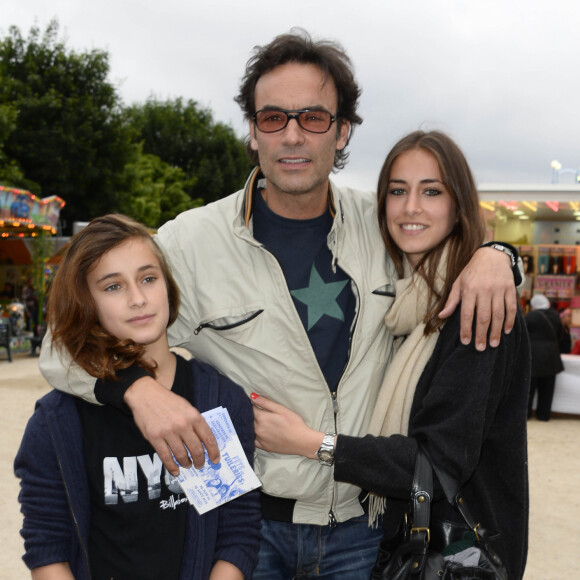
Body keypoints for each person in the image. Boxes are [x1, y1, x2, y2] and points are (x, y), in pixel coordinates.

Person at [39, 31, 520, 578]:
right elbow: (63, 345)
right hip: (243, 528)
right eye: (273, 118)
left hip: (367, 530)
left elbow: (455, 248)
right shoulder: (189, 242)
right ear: (252, 131)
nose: (292, 136)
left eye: (314, 118)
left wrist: (498, 253)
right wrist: (139, 391)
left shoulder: (384, 222)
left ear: (342, 133)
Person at [251, 130, 530, 579]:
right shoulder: (410, 301)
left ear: (459, 206)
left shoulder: (474, 308)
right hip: (400, 545)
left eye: (431, 191)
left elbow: (438, 464)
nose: (411, 207)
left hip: (456, 555)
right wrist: (500, 253)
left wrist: (309, 442)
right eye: (397, 191)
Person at [15, 215, 260, 579]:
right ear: (86, 303)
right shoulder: (56, 421)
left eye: (148, 278)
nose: (138, 298)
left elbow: (236, 534)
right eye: (113, 287)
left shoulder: (216, 400)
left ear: (168, 286)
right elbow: (48, 547)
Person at [526, 293, 565, 421]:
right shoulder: (555, 316)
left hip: (533, 355)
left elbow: (524, 336)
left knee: (528, 389)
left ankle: (526, 414)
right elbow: (560, 335)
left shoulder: (530, 317)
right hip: (551, 356)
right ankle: (544, 415)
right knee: (548, 389)